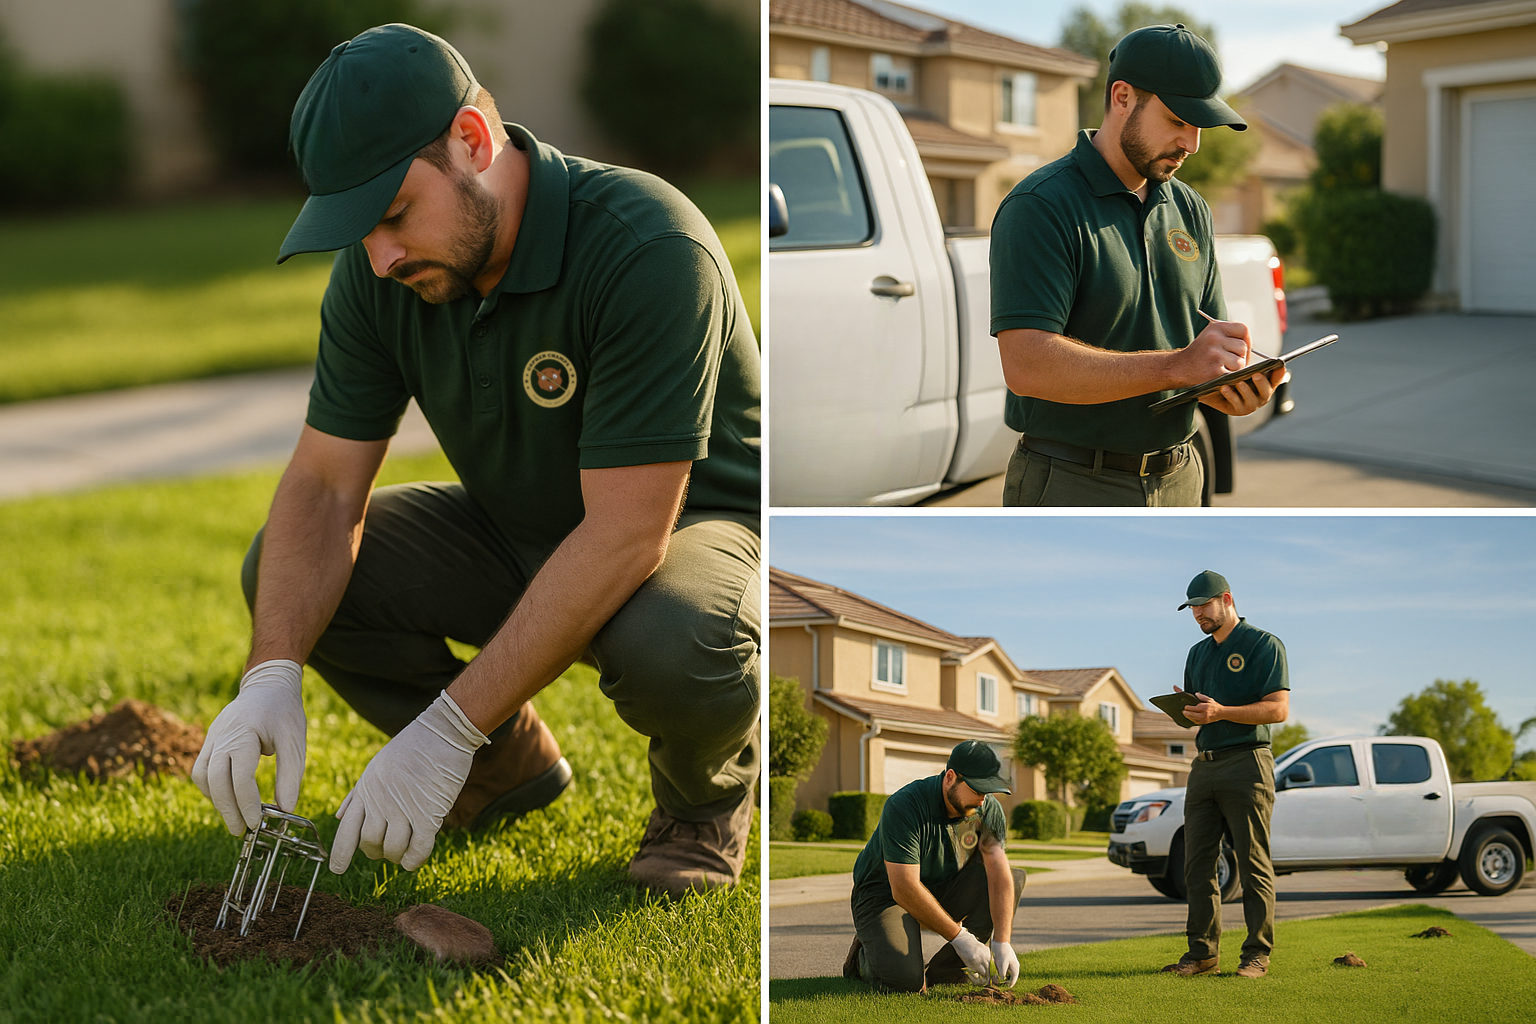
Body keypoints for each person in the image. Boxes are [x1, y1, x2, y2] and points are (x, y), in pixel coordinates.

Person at [190, 24, 761, 900]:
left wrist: (442, 728)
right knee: (288, 565)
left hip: (687, 540)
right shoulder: (381, 275)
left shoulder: (649, 246)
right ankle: (504, 767)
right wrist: (271, 672)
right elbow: (323, 483)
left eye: (391, 216)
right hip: (519, 528)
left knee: (676, 638)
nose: (378, 257)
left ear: (472, 141)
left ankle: (699, 806)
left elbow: (625, 534)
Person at [989, 24, 1287, 506]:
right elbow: (1026, 365)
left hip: (1184, 474)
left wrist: (1232, 385)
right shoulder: (1041, 206)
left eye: (1199, 126)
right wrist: (1177, 367)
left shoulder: (1190, 209)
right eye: (1177, 120)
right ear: (1122, 97)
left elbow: (1198, 360)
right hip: (1073, 481)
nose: (1191, 143)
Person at [1162, 571, 1289, 978]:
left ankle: (1257, 954)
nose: (1198, 613)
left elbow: (1277, 710)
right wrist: (1187, 710)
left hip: (1248, 760)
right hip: (1205, 764)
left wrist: (1222, 712)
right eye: (1192, 607)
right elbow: (1200, 715)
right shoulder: (1197, 653)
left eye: (1203, 604)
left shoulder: (1263, 644)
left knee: (1253, 862)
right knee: (1196, 864)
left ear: (1226, 600)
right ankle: (1202, 954)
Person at [842, 740, 1023, 992]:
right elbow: (904, 887)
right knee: (906, 983)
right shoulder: (905, 805)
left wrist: (1002, 942)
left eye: (988, 791)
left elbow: (998, 870)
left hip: (941, 886)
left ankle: (947, 971)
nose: (982, 800)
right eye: (977, 789)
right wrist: (961, 939)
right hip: (885, 895)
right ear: (950, 777)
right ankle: (866, 953)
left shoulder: (986, 808)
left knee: (1013, 877)